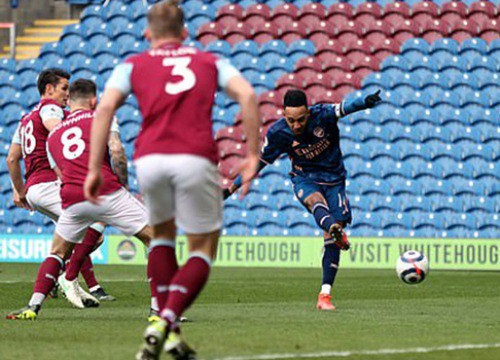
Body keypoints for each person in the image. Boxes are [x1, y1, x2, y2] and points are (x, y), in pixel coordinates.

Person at [84, 1, 261, 358]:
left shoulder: (132, 64)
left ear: (148, 33)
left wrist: (92, 169)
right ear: (184, 32)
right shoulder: (209, 60)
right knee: (202, 249)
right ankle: (164, 319)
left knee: (162, 238)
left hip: (150, 160)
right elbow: (247, 94)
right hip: (195, 157)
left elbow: (103, 109)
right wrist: (253, 154)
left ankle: (172, 332)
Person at [224, 89, 382, 311]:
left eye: (300, 120)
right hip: (304, 179)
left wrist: (365, 102)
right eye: (291, 120)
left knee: (330, 237)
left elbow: (345, 107)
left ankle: (324, 295)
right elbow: (259, 163)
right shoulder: (278, 133)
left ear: (308, 113)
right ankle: (333, 228)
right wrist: (231, 188)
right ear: (284, 116)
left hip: (335, 181)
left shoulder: (323, 115)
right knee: (314, 201)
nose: (296, 125)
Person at [5, 69, 115, 320]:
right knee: (96, 223)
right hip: (50, 184)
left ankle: (67, 283)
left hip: (35, 189)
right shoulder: (51, 110)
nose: (68, 93)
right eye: (64, 88)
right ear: (49, 90)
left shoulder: (25, 119)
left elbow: (12, 158)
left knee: (71, 235)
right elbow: (57, 132)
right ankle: (67, 277)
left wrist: (19, 190)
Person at [44, 78, 155, 311]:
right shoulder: (100, 117)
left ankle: (53, 288)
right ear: (94, 101)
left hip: (71, 187)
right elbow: (116, 150)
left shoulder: (59, 129)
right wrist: (122, 185)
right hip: (99, 186)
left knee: (89, 232)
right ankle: (163, 305)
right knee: (155, 237)